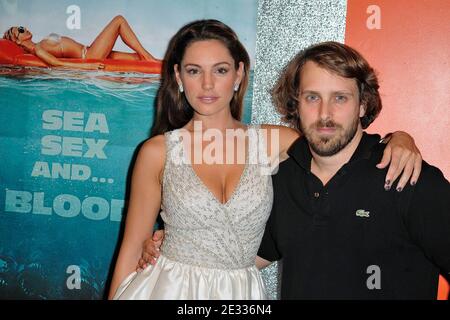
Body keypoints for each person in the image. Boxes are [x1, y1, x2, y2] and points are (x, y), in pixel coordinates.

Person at [108, 20, 422, 300]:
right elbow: (132, 249)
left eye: (220, 69)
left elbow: (343, 147)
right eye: (194, 70)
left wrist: (398, 138)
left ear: (239, 73)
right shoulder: (157, 152)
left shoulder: (272, 143)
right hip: (167, 288)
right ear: (178, 76)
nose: (207, 84)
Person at [254, 41, 450, 299]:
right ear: (296, 105)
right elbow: (241, 262)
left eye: (340, 98)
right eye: (312, 97)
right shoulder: (283, 179)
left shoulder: (408, 176)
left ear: (363, 105)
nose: (325, 113)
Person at [3, 15, 160, 71]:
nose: (25, 28)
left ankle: (169, 66)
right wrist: (88, 66)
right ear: (17, 40)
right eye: (21, 30)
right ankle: (148, 57)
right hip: (90, 56)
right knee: (119, 21)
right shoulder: (38, 49)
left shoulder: (40, 45)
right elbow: (57, 64)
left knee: (136, 58)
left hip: (91, 51)